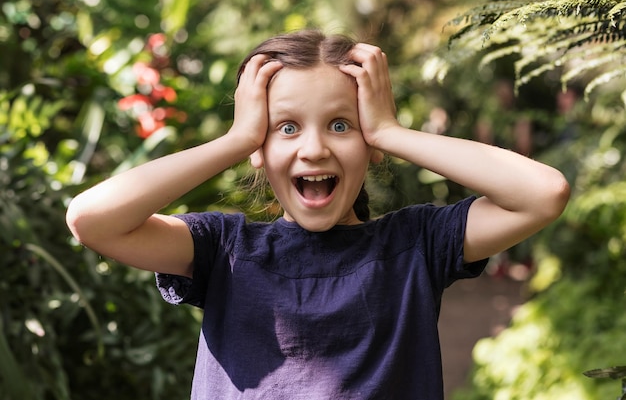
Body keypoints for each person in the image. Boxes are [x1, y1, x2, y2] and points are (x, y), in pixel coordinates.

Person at [66, 29, 570, 400]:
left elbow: (543, 192)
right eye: (286, 127)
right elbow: (92, 219)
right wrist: (237, 140)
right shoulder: (224, 250)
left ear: (368, 142)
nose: (313, 148)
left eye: (340, 125)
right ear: (259, 146)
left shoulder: (415, 245)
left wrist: (392, 132)